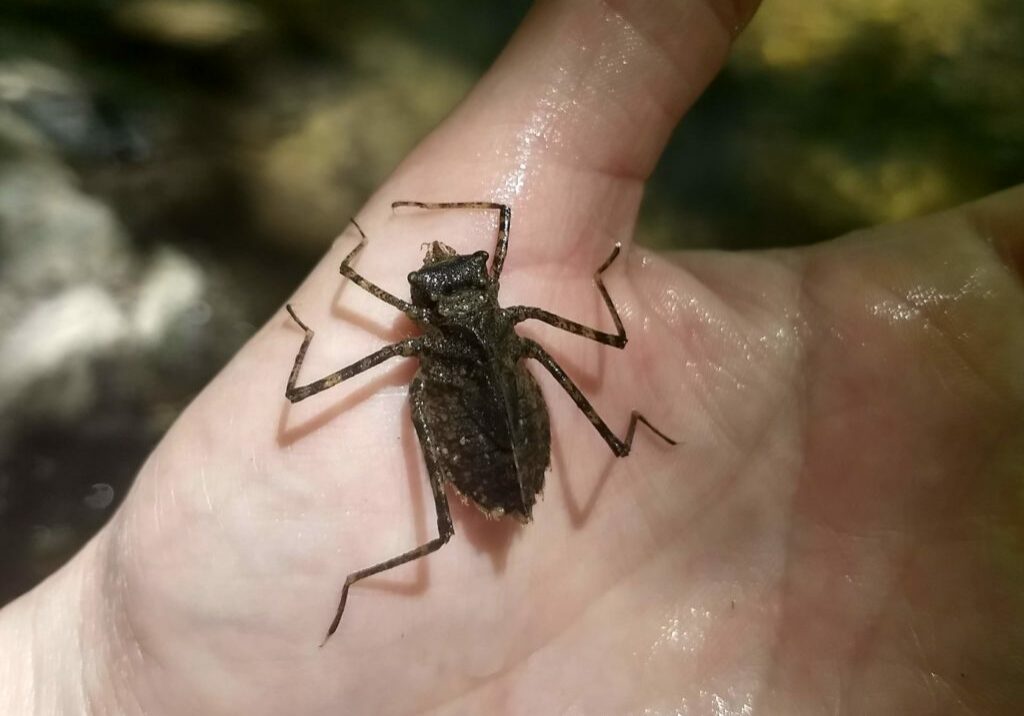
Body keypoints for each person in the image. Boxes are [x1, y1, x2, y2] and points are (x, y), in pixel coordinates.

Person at [2, 0, 1021, 713]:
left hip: (489, 435)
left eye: (456, 279)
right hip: (505, 427)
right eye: (442, 280)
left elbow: (323, 366)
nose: (450, 275)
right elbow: (576, 304)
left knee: (458, 520)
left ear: (462, 294)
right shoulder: (511, 310)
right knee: (509, 480)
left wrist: (356, 261)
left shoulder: (415, 335)